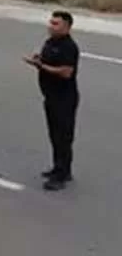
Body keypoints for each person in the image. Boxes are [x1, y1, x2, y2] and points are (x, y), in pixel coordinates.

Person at [24, 10, 80, 191]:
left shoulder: (68, 46)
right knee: (54, 135)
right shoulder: (50, 42)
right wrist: (39, 60)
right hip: (50, 96)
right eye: (50, 22)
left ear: (67, 27)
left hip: (64, 98)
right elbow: (49, 62)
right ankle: (59, 167)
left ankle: (62, 175)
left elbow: (65, 72)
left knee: (63, 137)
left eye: (56, 24)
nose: (51, 26)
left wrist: (41, 66)